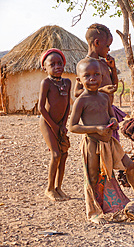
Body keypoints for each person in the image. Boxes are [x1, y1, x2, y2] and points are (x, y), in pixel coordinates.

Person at [69, 58, 134, 224]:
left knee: (129, 165)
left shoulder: (104, 97)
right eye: (87, 76)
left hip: (109, 143)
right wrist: (95, 129)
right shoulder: (81, 101)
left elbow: (111, 114)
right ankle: (94, 211)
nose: (92, 78)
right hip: (92, 143)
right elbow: (72, 127)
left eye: (96, 74)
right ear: (79, 80)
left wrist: (114, 121)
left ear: (102, 76)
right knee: (93, 177)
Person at [74, 23, 126, 141]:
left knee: (112, 148)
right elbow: (77, 93)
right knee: (98, 147)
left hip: (109, 112)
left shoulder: (103, 64)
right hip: (96, 116)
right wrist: (101, 90)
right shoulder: (85, 66)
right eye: (107, 45)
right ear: (97, 43)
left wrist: (112, 68)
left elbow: (114, 87)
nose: (109, 49)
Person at [38, 48, 71, 201]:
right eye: (53, 64)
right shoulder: (46, 83)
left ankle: (59, 187)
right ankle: (49, 188)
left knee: (64, 155)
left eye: (60, 63)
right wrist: (54, 126)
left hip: (60, 124)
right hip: (47, 123)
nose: (57, 66)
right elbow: (41, 107)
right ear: (45, 67)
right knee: (56, 154)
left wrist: (63, 125)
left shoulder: (67, 82)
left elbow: (67, 106)